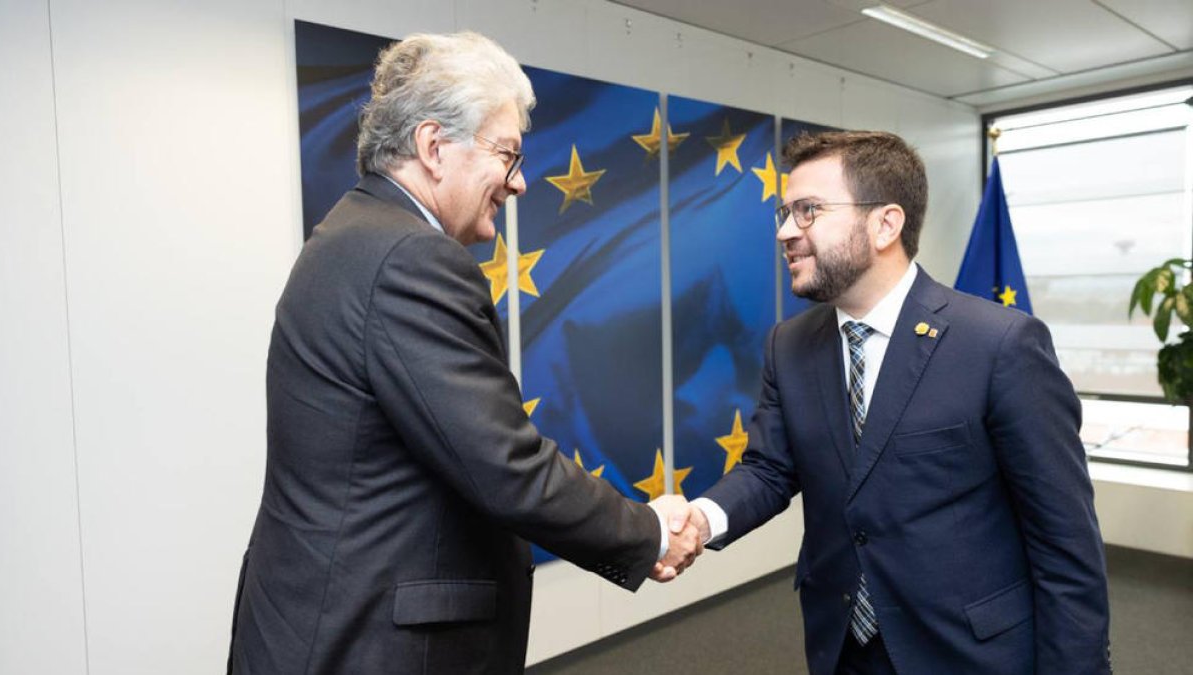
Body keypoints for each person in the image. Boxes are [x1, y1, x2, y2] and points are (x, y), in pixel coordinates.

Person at [227, 32, 699, 675]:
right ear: (433, 147)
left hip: (318, 620)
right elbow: (505, 464)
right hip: (368, 642)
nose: (519, 182)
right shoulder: (409, 259)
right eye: (507, 154)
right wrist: (650, 532)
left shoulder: (352, 234)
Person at [685, 131, 1111, 674]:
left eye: (808, 210)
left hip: (967, 652)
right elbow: (769, 469)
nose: (786, 231)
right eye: (785, 213)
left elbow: (1064, 542)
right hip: (842, 646)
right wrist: (699, 520)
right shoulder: (788, 346)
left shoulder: (1000, 345)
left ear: (885, 224)